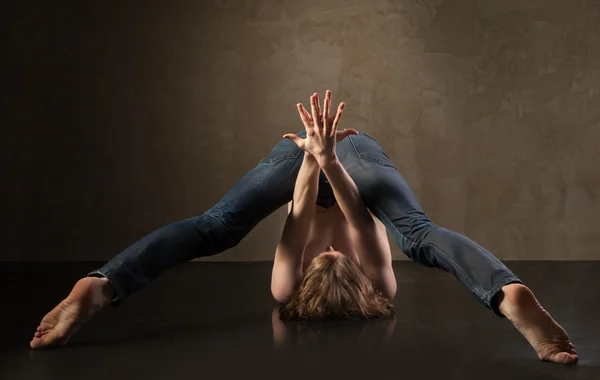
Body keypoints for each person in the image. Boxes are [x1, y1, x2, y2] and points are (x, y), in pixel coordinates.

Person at [30, 90, 578, 365]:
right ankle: (506, 294)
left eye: (326, 263)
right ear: (358, 293)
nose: (331, 254)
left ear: (312, 288)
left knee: (217, 226)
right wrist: (332, 155)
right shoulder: (376, 284)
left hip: (310, 167)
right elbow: (360, 218)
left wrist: (313, 157)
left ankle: (102, 285)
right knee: (413, 232)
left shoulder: (286, 288)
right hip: (350, 159)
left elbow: (297, 215)